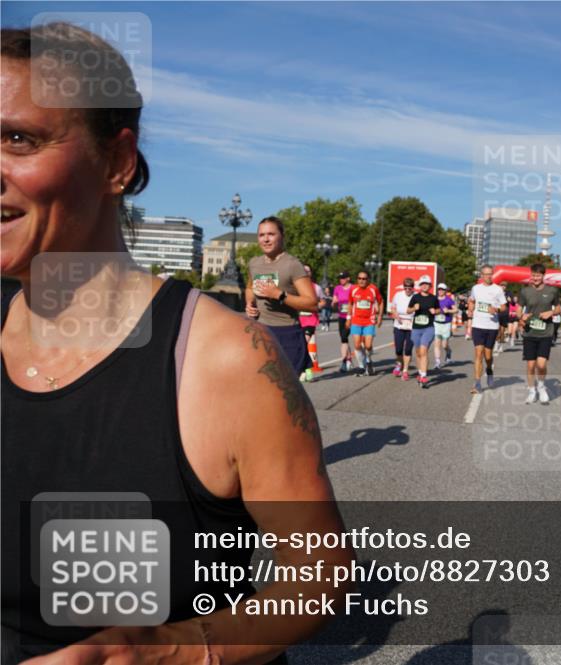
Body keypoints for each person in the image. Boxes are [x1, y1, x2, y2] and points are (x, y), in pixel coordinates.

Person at [0, 22, 352, 663]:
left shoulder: (224, 362)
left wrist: (163, 651)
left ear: (117, 162)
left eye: (19, 138)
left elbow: (318, 569)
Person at [245, 217, 319, 382]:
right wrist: (249, 304)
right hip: (261, 331)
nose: (265, 239)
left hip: (287, 334)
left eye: (271, 234)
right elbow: (250, 288)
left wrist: (280, 295)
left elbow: (313, 304)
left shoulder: (292, 265)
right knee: (259, 387)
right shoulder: (254, 264)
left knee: (283, 391)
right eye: (261, 235)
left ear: (281, 236)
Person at [519, 263, 561, 405]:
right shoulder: (525, 291)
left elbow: (558, 308)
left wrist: (551, 312)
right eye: (533, 275)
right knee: (531, 365)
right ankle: (532, 391)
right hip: (529, 333)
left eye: (538, 275)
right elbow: (519, 308)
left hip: (546, 332)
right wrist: (522, 317)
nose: (535, 278)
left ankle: (541, 386)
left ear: (543, 276)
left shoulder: (552, 291)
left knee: (541, 364)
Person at [468, 265, 506, 394]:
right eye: (486, 274)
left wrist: (496, 309)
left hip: (492, 326)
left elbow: (504, 307)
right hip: (478, 324)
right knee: (478, 353)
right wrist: (470, 308)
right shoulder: (476, 288)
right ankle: (477, 383)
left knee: (488, 355)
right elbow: (471, 301)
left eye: (490, 274)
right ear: (482, 275)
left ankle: (489, 370)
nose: (488, 276)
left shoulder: (498, 290)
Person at [407, 275, 440, 388]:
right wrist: (413, 308)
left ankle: (424, 376)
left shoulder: (433, 298)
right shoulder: (415, 297)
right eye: (422, 284)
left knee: (424, 350)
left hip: (428, 328)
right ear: (420, 286)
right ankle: (420, 372)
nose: (424, 286)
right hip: (416, 328)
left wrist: (434, 311)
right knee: (418, 353)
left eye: (427, 284)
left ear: (430, 286)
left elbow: (438, 310)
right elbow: (408, 310)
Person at [348, 269, 383, 376]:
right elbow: (350, 303)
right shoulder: (353, 289)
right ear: (357, 279)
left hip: (369, 321)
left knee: (368, 345)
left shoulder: (373, 289)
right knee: (357, 345)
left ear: (368, 280)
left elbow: (381, 302)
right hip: (356, 320)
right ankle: (361, 366)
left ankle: (368, 360)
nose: (362, 280)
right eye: (359, 278)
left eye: (364, 278)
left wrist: (380, 316)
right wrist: (348, 318)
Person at [297, 265, 325, 382]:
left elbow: (323, 301)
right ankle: (304, 369)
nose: (306, 273)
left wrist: (316, 306)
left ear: (311, 273)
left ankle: (306, 370)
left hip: (310, 320)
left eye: (308, 271)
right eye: (303, 271)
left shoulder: (317, 288)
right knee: (300, 345)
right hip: (297, 320)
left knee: (304, 343)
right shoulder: (296, 286)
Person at [389, 277, 416, 380]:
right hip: (399, 324)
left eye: (410, 287)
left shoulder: (416, 297)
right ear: (403, 287)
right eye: (406, 287)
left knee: (408, 349)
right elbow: (393, 308)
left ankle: (405, 370)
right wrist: (396, 316)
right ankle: (399, 364)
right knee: (399, 349)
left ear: (413, 288)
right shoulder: (398, 295)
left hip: (411, 325)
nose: (408, 289)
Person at [332, 271, 354, 372]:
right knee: (343, 338)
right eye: (340, 278)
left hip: (352, 317)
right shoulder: (337, 288)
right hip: (341, 316)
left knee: (344, 338)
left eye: (343, 278)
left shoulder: (353, 288)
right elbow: (334, 302)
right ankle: (348, 359)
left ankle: (344, 362)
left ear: (348, 278)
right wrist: (334, 303)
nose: (341, 280)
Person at [433, 283, 456, 369]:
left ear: (445, 291)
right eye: (439, 289)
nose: (440, 291)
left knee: (444, 345)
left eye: (442, 289)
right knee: (437, 343)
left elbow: (456, 309)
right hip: (436, 323)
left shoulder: (449, 300)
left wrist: (449, 311)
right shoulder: (434, 299)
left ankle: (448, 352)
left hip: (446, 324)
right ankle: (437, 362)